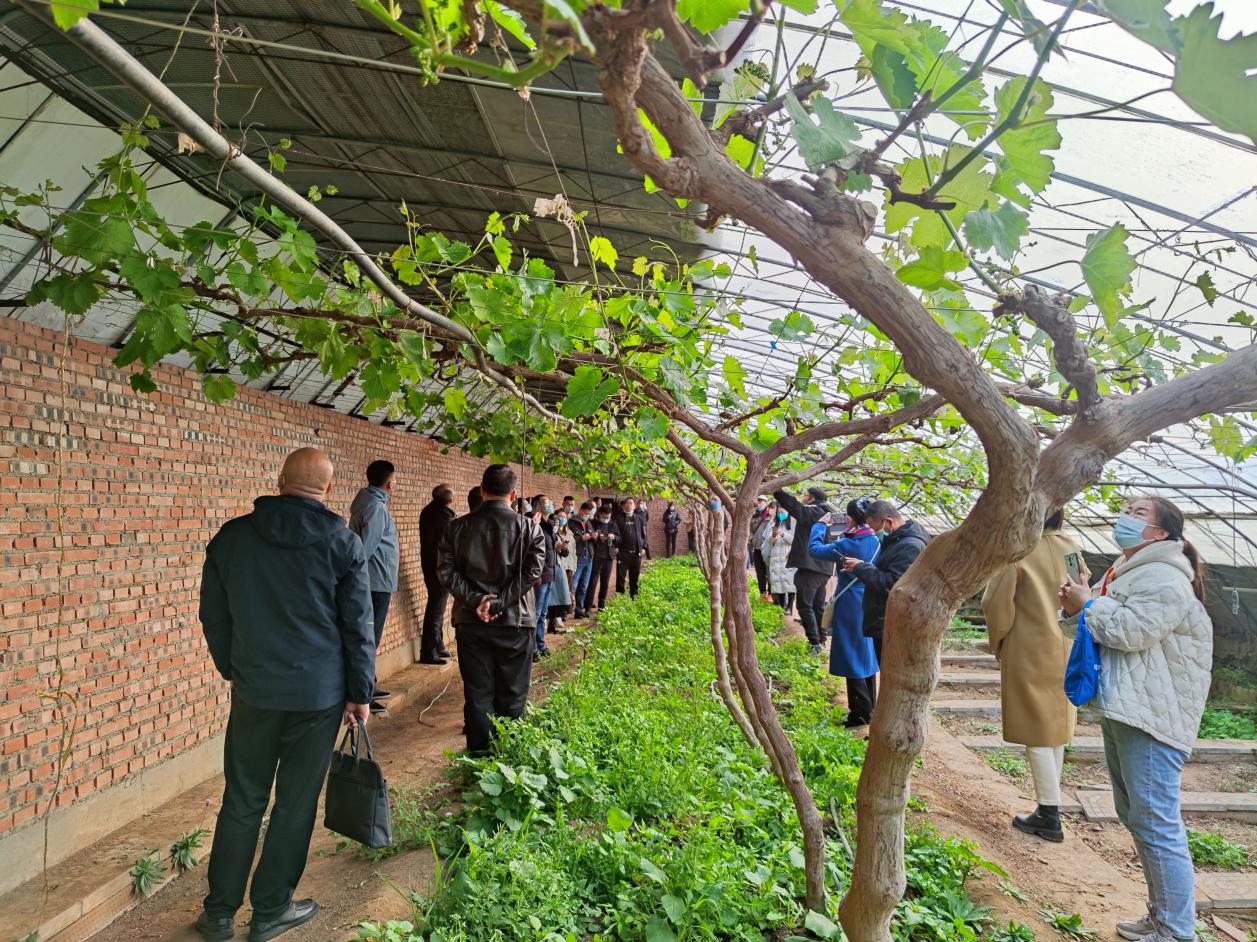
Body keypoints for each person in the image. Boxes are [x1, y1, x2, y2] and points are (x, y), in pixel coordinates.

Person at [196, 447, 374, 942]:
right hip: (318, 696)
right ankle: (271, 910)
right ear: (329, 489)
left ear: (279, 482)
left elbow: (214, 614)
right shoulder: (344, 544)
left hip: (255, 690)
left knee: (243, 798)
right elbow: (357, 627)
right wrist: (359, 693)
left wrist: (234, 668)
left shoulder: (232, 538)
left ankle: (219, 914)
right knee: (295, 802)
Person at [1059, 497, 1211, 942]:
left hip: (1153, 715)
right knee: (1137, 815)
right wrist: (1077, 607)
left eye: (1139, 513)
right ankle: (1162, 916)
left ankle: (1177, 929)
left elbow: (1132, 631)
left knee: (1156, 821)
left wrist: (1089, 605)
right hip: (1128, 706)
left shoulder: (1164, 575)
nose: (1125, 516)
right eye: (1126, 508)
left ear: (1161, 533)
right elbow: (1091, 627)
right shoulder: (1124, 570)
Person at [982, 509, 1089, 842]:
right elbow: (1081, 591)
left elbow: (996, 603)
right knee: (1054, 727)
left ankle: (1049, 812)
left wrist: (998, 640)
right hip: (1067, 644)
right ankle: (1050, 805)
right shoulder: (1070, 548)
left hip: (1029, 647)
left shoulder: (1018, 551)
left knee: (1036, 729)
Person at [438, 464, 546, 757]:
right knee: (513, 694)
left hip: (471, 622)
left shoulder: (456, 527)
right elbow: (531, 573)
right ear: (513, 495)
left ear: (482, 490)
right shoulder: (530, 529)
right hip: (516, 622)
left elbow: (445, 572)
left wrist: (476, 601)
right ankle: (509, 760)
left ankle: (479, 759)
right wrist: (500, 603)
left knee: (478, 695)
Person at [808, 499, 880, 728]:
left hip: (850, 603)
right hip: (870, 600)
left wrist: (820, 525)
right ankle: (870, 707)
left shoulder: (847, 545)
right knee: (866, 654)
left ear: (850, 518)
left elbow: (814, 549)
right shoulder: (876, 541)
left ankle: (859, 713)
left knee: (851, 655)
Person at [843, 500, 930, 663]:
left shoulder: (910, 546)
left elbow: (893, 584)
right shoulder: (897, 541)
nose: (875, 533)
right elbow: (887, 572)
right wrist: (862, 566)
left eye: (875, 528)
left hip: (894, 622)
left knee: (893, 669)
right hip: (885, 620)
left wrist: (860, 568)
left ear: (888, 522)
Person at [348, 460, 400, 714]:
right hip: (376, 582)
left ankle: (369, 685)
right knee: (370, 639)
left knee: (369, 637)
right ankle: (364, 694)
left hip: (374, 580)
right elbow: (366, 548)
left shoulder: (365, 501)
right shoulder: (376, 508)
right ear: (389, 483)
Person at [773, 486, 834, 654]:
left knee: (805, 606)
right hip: (823, 568)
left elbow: (794, 507)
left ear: (812, 498)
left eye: (806, 496)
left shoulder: (815, 511)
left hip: (811, 568)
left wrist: (777, 490)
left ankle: (815, 643)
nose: (803, 499)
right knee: (817, 606)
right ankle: (820, 640)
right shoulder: (826, 512)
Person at [417, 483, 456, 666]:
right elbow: (445, 545)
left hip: (431, 565)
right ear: (450, 499)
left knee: (437, 607)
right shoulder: (442, 516)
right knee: (436, 609)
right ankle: (429, 651)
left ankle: (438, 645)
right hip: (439, 568)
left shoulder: (430, 511)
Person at [531, 500, 558, 661]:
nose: (549, 505)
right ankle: (533, 648)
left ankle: (541, 645)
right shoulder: (536, 525)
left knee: (542, 614)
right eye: (546, 503)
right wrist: (537, 574)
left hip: (549, 574)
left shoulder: (549, 526)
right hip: (540, 576)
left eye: (550, 503)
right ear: (538, 507)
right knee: (535, 613)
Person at [586, 504, 620, 612]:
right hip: (596, 556)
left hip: (609, 556)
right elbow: (589, 537)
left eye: (608, 517)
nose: (606, 519)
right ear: (600, 514)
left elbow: (619, 538)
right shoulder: (593, 523)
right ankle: (588, 605)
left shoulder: (613, 524)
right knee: (593, 581)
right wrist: (595, 537)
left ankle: (601, 605)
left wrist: (614, 537)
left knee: (605, 581)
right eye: (604, 517)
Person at [765, 508, 796, 615]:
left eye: (782, 512)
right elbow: (769, 541)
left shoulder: (793, 523)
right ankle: (782, 607)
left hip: (788, 555)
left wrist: (783, 534)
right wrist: (773, 536)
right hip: (776, 556)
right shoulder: (775, 523)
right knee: (778, 582)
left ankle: (789, 607)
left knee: (790, 581)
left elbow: (795, 540)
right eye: (778, 513)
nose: (780, 514)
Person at [615, 497, 647, 598]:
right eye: (627, 503)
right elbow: (615, 533)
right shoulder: (618, 518)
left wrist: (643, 547)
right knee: (621, 576)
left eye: (631, 503)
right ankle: (620, 597)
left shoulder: (639, 519)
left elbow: (643, 534)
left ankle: (634, 596)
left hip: (636, 553)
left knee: (634, 576)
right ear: (624, 505)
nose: (629, 505)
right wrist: (616, 547)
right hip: (623, 553)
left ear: (634, 506)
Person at [550, 509, 577, 632]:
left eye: (558, 523)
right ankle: (548, 621)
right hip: (549, 568)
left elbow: (566, 553)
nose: (557, 524)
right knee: (550, 596)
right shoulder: (546, 534)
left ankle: (556, 620)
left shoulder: (561, 535)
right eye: (555, 523)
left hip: (560, 567)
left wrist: (563, 548)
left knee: (560, 595)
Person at [569, 501, 596, 617]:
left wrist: (594, 536)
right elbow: (568, 539)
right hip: (578, 558)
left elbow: (592, 534)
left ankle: (579, 610)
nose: (588, 516)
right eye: (586, 513)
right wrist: (581, 538)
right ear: (581, 511)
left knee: (584, 586)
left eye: (589, 514)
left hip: (588, 557)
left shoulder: (588, 522)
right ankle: (566, 610)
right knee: (573, 585)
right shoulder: (572, 522)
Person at [750, 498, 775, 601]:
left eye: (762, 501)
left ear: (766, 502)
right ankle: (762, 593)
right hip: (757, 548)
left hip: (768, 549)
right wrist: (752, 539)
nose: (759, 503)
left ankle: (770, 593)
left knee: (769, 571)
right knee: (760, 572)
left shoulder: (771, 516)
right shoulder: (753, 516)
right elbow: (749, 530)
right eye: (758, 501)